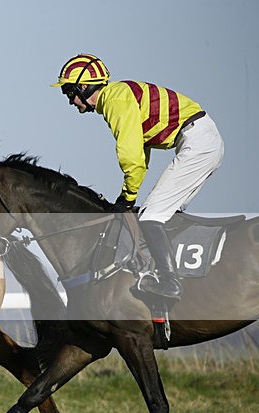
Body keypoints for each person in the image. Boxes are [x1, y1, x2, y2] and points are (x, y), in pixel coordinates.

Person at [51, 53, 224, 300]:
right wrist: (129, 193)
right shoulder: (119, 96)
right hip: (201, 139)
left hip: (198, 142)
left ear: (84, 86)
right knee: (164, 216)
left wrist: (128, 197)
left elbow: (130, 156)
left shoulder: (115, 100)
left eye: (69, 93)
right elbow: (140, 153)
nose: (70, 101)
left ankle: (170, 283)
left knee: (151, 216)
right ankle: (171, 273)